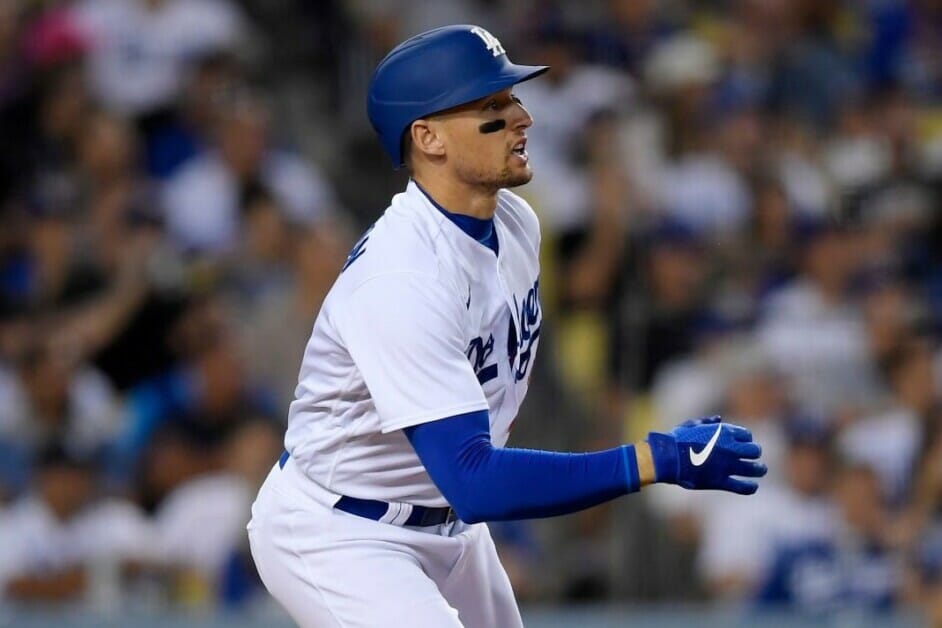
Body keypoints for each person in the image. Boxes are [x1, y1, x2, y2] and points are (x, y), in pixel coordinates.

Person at [247, 24, 767, 628]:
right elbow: (475, 480)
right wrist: (653, 460)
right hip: (341, 529)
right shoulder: (400, 278)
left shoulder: (517, 223)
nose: (522, 118)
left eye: (512, 99)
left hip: (445, 518)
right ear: (428, 138)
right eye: (492, 108)